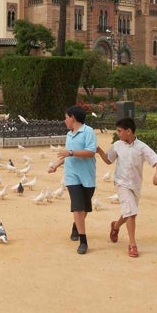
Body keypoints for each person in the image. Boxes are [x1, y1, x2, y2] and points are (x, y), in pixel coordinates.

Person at [95, 117, 157, 258]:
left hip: (135, 186)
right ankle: (132, 245)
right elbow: (109, 160)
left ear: (129, 131)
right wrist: (99, 150)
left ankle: (115, 226)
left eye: (119, 131)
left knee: (129, 213)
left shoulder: (142, 147)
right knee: (131, 213)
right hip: (121, 183)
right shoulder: (117, 145)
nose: (118, 133)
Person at [48, 105, 98, 255]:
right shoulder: (69, 135)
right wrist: (56, 165)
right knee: (78, 207)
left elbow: (90, 152)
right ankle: (83, 241)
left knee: (85, 208)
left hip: (87, 176)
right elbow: (66, 156)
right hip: (72, 176)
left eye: (66, 117)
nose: (65, 120)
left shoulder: (88, 132)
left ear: (73, 118)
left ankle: (76, 226)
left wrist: (70, 152)